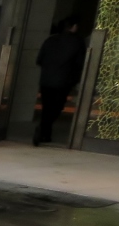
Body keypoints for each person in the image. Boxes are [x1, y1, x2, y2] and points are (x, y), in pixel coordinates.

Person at [33, 17, 85, 145]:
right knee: (57, 107)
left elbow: (39, 60)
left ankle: (45, 133)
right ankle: (43, 130)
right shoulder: (77, 42)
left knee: (47, 107)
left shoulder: (50, 40)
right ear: (73, 27)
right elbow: (80, 63)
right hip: (64, 80)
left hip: (46, 80)